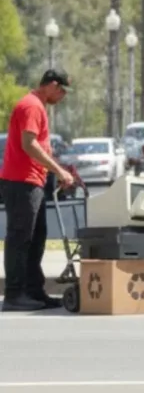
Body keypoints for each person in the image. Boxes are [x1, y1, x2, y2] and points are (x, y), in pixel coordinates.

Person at [1, 70, 75, 312]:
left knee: (36, 239)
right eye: (62, 91)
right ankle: (14, 295)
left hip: (33, 181)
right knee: (21, 239)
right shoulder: (31, 106)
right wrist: (58, 170)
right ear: (51, 85)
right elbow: (29, 144)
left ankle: (34, 291)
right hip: (22, 181)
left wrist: (59, 170)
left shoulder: (37, 105)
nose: (63, 96)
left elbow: (38, 146)